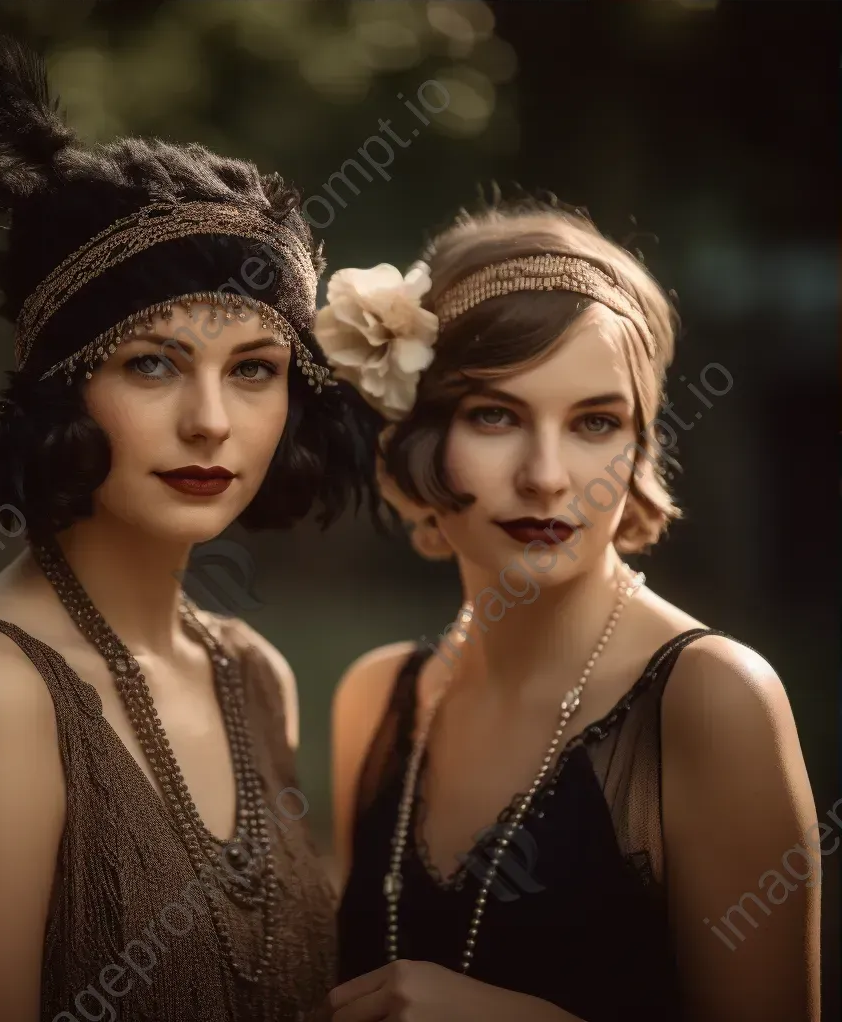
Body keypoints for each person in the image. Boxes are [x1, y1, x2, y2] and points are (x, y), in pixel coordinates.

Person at [0, 39, 378, 1022]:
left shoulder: (254, 676)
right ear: (63, 384)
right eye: (151, 363)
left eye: (255, 368)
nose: (211, 419)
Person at [315, 196, 820, 1021]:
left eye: (594, 421)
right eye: (494, 415)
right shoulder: (375, 701)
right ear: (413, 437)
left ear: (640, 445)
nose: (548, 475)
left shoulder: (712, 699)